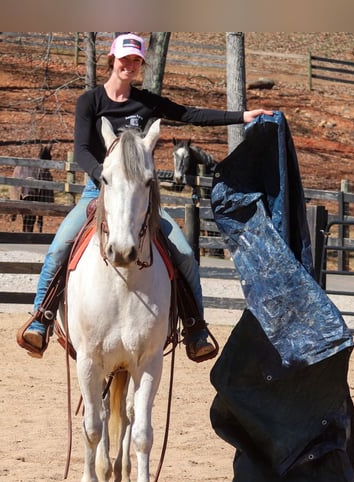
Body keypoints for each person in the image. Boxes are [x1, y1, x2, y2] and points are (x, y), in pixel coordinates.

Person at [18, 32, 273, 361]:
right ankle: (42, 319)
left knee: (183, 254)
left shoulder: (146, 103)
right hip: (100, 191)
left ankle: (195, 328)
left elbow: (189, 114)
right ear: (112, 59)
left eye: (136, 60)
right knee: (59, 249)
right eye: (125, 59)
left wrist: (242, 116)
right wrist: (107, 178)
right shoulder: (90, 102)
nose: (130, 65)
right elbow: (81, 150)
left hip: (142, 199)